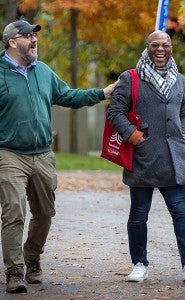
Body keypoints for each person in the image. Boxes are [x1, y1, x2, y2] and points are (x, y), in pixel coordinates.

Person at [0, 20, 118, 293]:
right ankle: (15, 272)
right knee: (14, 212)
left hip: (42, 153)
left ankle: (32, 257)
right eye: (27, 36)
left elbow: (67, 95)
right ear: (12, 42)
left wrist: (102, 93)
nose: (34, 40)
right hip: (9, 154)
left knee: (45, 212)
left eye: (35, 35)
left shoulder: (43, 71)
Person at [108, 30, 185, 283]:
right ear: (147, 47)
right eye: (156, 45)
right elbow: (115, 112)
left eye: (166, 44)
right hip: (143, 156)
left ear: (171, 48)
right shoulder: (130, 78)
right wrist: (134, 137)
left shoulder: (181, 81)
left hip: (174, 158)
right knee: (139, 213)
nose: (161, 49)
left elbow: (184, 111)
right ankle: (139, 264)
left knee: (181, 211)